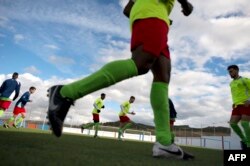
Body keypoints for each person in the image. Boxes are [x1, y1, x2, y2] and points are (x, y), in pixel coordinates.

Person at [47, 0, 193, 159]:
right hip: (152, 15)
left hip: (155, 17)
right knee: (141, 63)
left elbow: (127, 10)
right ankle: (65, 92)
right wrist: (185, 4)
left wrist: (142, 13)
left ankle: (164, 143)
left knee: (163, 76)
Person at [227, 65, 250, 150]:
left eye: (231, 71)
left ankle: (249, 143)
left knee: (244, 123)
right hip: (236, 105)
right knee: (232, 124)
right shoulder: (231, 83)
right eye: (229, 72)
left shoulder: (245, 80)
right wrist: (234, 103)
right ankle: (244, 140)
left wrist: (249, 100)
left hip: (246, 104)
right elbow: (235, 94)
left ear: (237, 70)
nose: (230, 73)